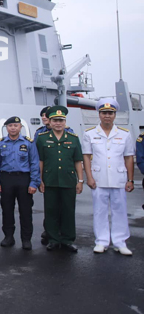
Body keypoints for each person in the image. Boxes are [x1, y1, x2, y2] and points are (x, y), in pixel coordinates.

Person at [82, 99, 136, 255]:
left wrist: (130, 179)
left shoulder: (124, 134)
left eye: (110, 113)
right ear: (99, 114)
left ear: (114, 115)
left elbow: (128, 157)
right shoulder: (90, 133)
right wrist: (89, 177)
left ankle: (120, 242)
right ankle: (101, 241)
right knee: (100, 211)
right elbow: (86, 156)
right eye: (104, 113)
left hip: (118, 178)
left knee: (120, 210)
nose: (107, 116)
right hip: (98, 178)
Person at [36, 107, 83, 253]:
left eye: (61, 120)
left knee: (68, 210)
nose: (58, 123)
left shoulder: (73, 138)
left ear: (65, 122)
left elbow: (77, 161)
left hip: (68, 180)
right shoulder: (42, 138)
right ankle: (53, 239)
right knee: (51, 211)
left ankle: (68, 239)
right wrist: (40, 180)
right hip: (50, 180)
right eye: (55, 120)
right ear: (49, 122)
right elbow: (40, 161)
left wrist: (80, 180)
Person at [0, 116, 40, 250]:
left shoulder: (29, 143)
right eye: (10, 125)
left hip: (23, 179)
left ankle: (26, 239)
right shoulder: (0, 144)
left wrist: (34, 183)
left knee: (26, 211)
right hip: (6, 179)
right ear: (6, 128)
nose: (13, 128)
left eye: (15, 125)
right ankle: (8, 237)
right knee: (7, 210)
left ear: (20, 128)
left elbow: (34, 163)